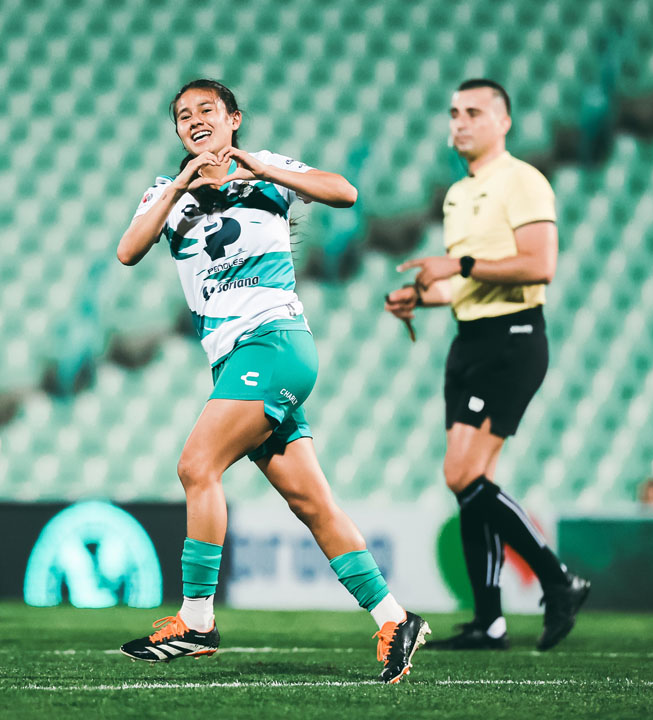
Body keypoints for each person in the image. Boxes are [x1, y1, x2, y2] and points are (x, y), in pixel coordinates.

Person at [116, 79, 428, 683]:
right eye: (183, 115)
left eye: (207, 110)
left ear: (233, 119)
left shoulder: (267, 172)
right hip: (235, 359)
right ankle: (394, 618)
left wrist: (259, 165)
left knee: (195, 466)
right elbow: (129, 251)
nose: (194, 120)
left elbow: (344, 191)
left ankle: (197, 620)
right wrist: (182, 183)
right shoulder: (165, 193)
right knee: (312, 503)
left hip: (275, 342)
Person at [385, 79, 590, 651]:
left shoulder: (523, 181)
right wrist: (420, 297)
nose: (459, 122)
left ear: (504, 122)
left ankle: (558, 579)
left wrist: (458, 262)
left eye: (473, 112)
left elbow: (539, 264)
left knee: (462, 475)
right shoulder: (458, 195)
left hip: (513, 338)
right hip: (470, 338)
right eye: (453, 113)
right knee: (473, 482)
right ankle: (490, 621)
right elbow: (466, 286)